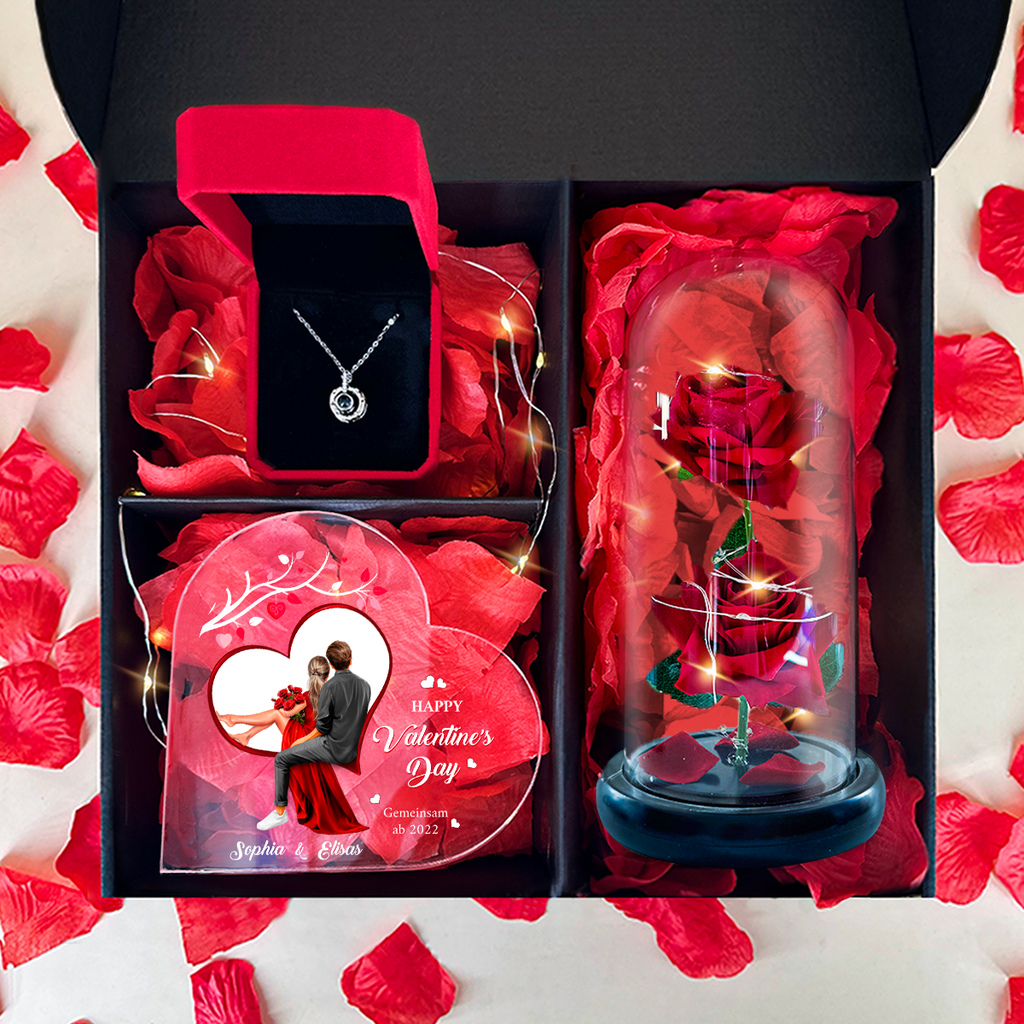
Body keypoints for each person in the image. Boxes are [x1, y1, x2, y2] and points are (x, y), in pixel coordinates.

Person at [257, 640, 372, 831]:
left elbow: (322, 728)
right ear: (350, 660)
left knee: (281, 759)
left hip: (332, 747)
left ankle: (280, 812)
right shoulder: (365, 686)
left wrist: (301, 741)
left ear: (331, 664)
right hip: (352, 748)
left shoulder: (329, 687)